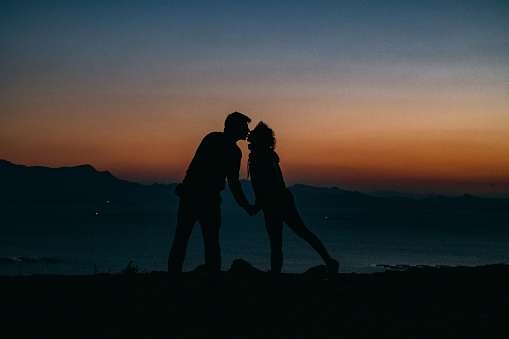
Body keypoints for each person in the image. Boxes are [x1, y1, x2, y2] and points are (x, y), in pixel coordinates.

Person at [168, 112, 256, 284]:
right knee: (210, 242)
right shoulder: (233, 151)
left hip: (192, 196)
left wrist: (185, 187)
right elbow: (233, 183)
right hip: (208, 199)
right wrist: (246, 206)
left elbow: (194, 167)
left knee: (182, 239)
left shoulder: (212, 139)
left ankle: (174, 279)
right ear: (235, 128)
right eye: (245, 127)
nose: (247, 131)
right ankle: (213, 283)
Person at [247, 121, 339, 279]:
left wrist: (258, 203)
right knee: (297, 234)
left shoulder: (260, 157)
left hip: (276, 203)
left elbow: (262, 184)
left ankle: (277, 276)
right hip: (280, 200)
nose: (250, 136)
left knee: (279, 241)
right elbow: (266, 183)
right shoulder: (266, 156)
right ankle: (329, 261)